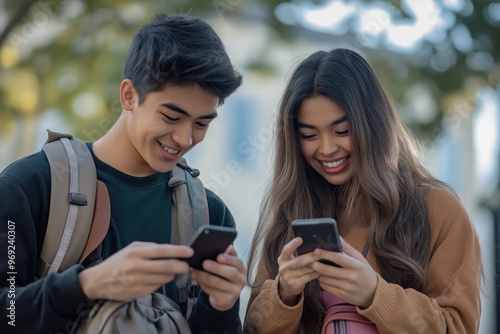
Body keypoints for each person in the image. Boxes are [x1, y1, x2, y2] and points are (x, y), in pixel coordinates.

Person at [0, 13, 247, 333]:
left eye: (201, 124)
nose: (186, 139)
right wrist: (86, 285)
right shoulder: (31, 185)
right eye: (172, 116)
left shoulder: (209, 214)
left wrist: (222, 306)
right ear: (129, 95)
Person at [244, 48, 482, 333]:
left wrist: (375, 294)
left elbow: (458, 326)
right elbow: (253, 327)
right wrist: (285, 292)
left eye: (342, 131)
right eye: (309, 135)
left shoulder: (439, 209)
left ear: (374, 125)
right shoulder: (291, 214)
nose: (327, 148)